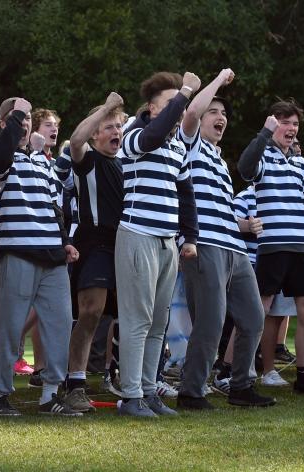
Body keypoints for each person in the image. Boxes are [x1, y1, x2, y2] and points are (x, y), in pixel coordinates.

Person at [174, 68, 275, 410]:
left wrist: (243, 226)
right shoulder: (188, 146)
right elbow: (189, 111)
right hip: (204, 247)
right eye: (214, 112)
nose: (221, 118)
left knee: (253, 318)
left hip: (234, 247)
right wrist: (217, 80)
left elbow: (217, 208)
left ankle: (241, 385)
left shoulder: (218, 160)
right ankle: (191, 391)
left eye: (224, 114)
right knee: (211, 320)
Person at [0, 96, 81, 418]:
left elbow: (56, 207)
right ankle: (0, 396)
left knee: (59, 326)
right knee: (11, 328)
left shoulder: (42, 160)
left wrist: (65, 241)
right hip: (19, 253)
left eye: (27, 121)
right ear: (5, 124)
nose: (24, 126)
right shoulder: (1, 155)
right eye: (18, 121)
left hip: (53, 256)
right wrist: (16, 118)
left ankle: (50, 395)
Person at [114, 71, 200, 418]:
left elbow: (186, 192)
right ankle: (130, 396)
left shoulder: (177, 144)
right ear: (151, 108)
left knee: (157, 324)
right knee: (137, 320)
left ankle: (149, 391)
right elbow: (150, 137)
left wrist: (189, 236)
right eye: (171, 104)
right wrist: (185, 94)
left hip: (166, 240)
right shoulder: (135, 134)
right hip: (137, 234)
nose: (178, 111)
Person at [237, 100, 304, 396]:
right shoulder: (263, 155)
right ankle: (241, 373)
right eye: (286, 122)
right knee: (261, 309)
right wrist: (264, 134)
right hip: (273, 245)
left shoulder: (299, 162)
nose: (291, 129)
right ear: (273, 124)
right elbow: (244, 168)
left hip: (303, 246)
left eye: (295, 124)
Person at [63, 92, 127, 412]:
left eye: (119, 126)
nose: (116, 131)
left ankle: (132, 384)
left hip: (126, 246)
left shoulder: (126, 164)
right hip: (96, 244)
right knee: (90, 311)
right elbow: (75, 141)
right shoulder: (88, 160)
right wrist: (104, 107)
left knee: (126, 318)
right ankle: (74, 384)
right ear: (95, 134)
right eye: (109, 127)